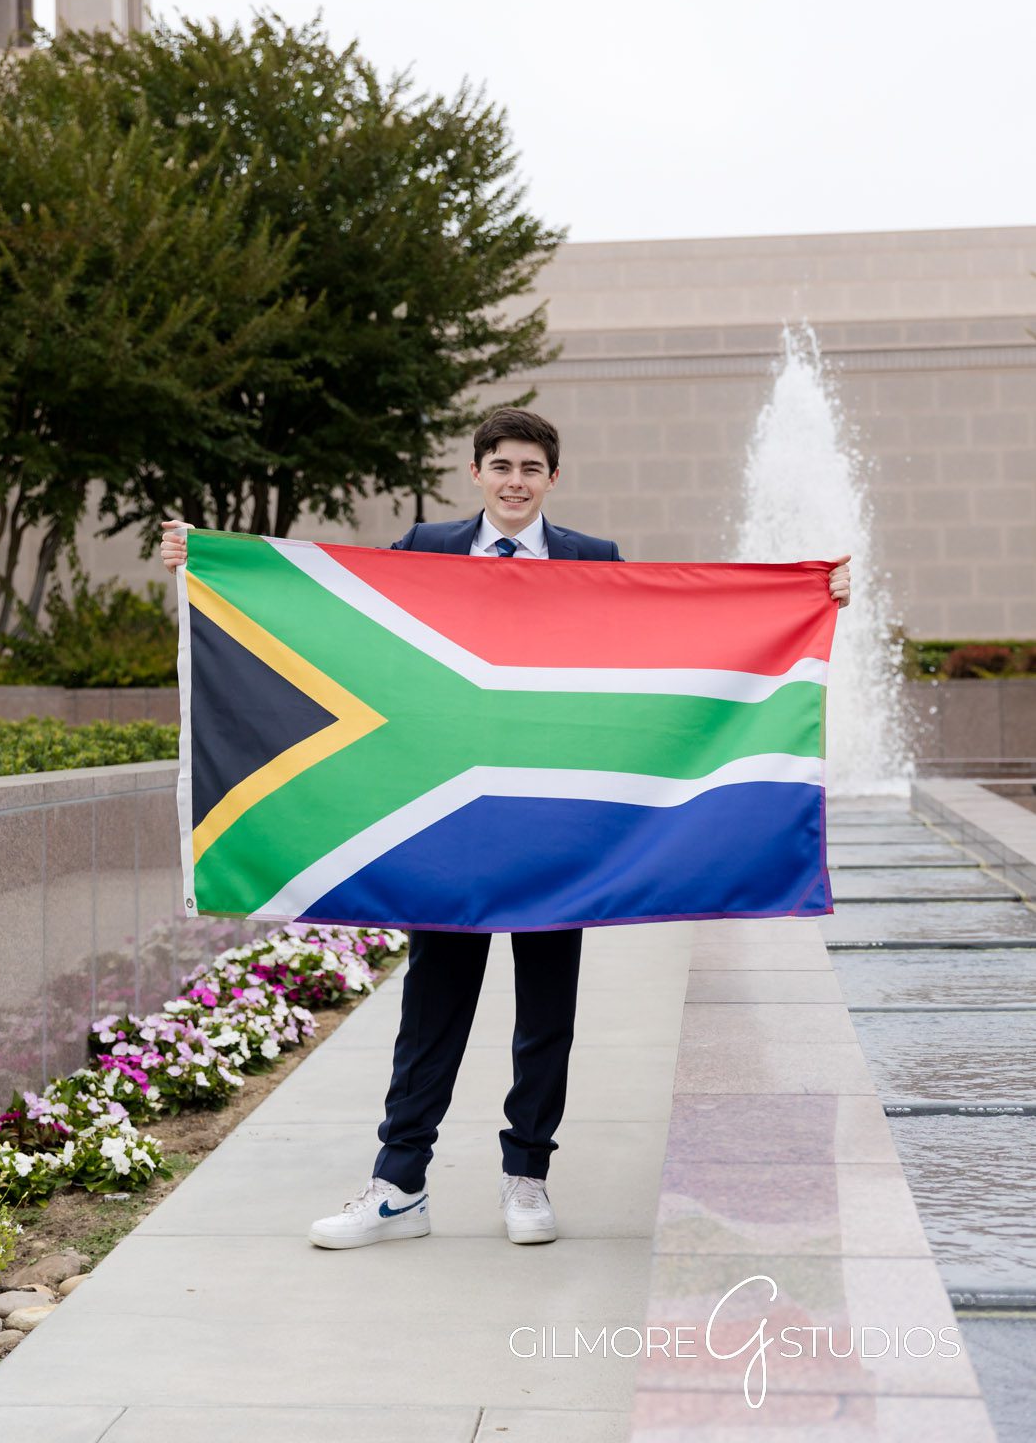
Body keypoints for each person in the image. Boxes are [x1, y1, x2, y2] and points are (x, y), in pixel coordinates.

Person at [159, 405, 851, 1251]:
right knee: (431, 1012)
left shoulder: (594, 563)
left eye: (530, 468)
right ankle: (397, 1186)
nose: (515, 481)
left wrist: (808, 596)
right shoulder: (424, 552)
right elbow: (336, 624)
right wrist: (206, 565)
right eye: (501, 466)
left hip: (559, 834)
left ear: (551, 479)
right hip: (447, 833)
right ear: (476, 473)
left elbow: (661, 650)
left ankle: (528, 1178)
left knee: (545, 1015)